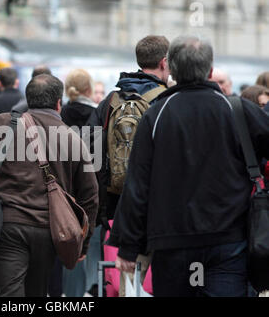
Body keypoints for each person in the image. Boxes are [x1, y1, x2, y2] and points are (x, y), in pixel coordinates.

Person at [107, 35, 269, 297]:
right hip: (228, 241)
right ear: (211, 70)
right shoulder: (237, 110)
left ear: (172, 69)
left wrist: (128, 247)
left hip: (172, 243)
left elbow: (138, 184)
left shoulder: (157, 114)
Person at [0, 74, 99, 297]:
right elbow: (91, 195)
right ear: (59, 103)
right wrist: (81, 245)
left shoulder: (2, 124)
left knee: (9, 294)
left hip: (7, 226)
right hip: (48, 230)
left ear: (28, 99)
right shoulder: (72, 137)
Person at [87, 34, 170, 232]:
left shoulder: (111, 100)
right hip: (156, 204)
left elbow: (90, 149)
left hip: (115, 203)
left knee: (116, 260)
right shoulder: (167, 101)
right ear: (164, 62)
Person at [59, 68, 100, 297]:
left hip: (64, 195)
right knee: (92, 247)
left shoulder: (60, 115)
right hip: (93, 189)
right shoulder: (100, 114)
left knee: (70, 252)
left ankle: (72, 297)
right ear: (89, 89)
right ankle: (94, 289)